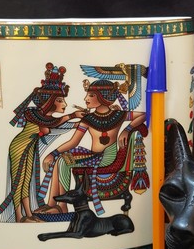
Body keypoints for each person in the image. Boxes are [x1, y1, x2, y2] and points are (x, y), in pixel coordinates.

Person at [38, 79, 146, 215]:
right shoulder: (87, 119)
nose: (86, 99)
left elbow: (144, 115)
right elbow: (73, 142)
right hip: (93, 156)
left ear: (102, 97)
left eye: (91, 95)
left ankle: (62, 206)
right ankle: (52, 204)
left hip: (108, 157)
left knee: (63, 162)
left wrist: (127, 129)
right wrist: (52, 154)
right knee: (59, 159)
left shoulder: (119, 115)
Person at [0, 63, 85, 222]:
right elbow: (51, 123)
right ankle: (19, 216)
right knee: (19, 182)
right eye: (60, 100)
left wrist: (76, 123)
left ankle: (29, 214)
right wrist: (72, 116)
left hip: (29, 147)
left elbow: (54, 124)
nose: (64, 104)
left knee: (27, 181)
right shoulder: (33, 113)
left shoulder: (46, 118)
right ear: (50, 101)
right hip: (20, 147)